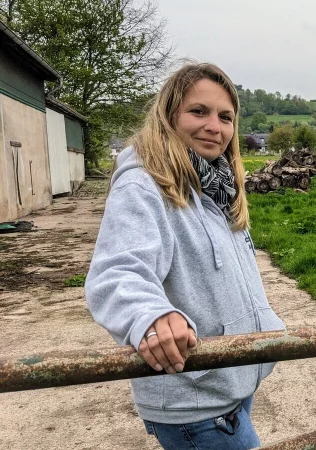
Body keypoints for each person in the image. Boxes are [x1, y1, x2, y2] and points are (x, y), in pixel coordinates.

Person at [85, 63, 285, 450]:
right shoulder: (144, 184)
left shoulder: (216, 186)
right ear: (169, 115)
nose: (215, 126)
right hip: (194, 396)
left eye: (225, 117)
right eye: (199, 112)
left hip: (227, 377)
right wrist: (150, 315)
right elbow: (117, 271)